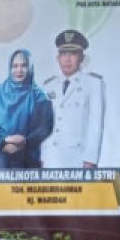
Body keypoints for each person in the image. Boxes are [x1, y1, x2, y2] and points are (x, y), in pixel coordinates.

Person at [0, 49, 53, 169]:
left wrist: (25, 142)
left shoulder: (39, 97)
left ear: (30, 67)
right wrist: (3, 141)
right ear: (10, 68)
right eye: (15, 66)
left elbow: (45, 127)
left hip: (26, 160)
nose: (19, 70)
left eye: (24, 65)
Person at [41, 30, 106, 169]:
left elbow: (95, 125)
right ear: (58, 58)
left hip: (77, 159)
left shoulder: (93, 84)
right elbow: (43, 125)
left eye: (73, 53)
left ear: (82, 57)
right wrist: (41, 157)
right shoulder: (49, 86)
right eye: (64, 54)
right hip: (51, 158)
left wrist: (90, 159)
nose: (67, 59)